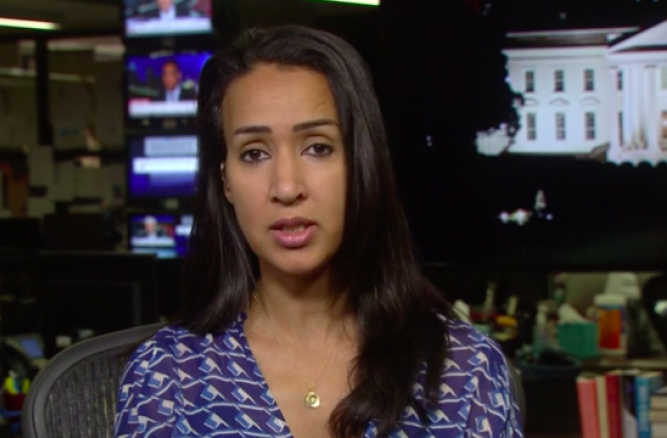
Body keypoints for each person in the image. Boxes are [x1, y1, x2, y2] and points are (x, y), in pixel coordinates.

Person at [115, 26, 523, 438]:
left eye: (318, 147)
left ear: (360, 163)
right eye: (254, 153)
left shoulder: (464, 371)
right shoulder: (167, 377)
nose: (286, 187)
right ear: (225, 181)